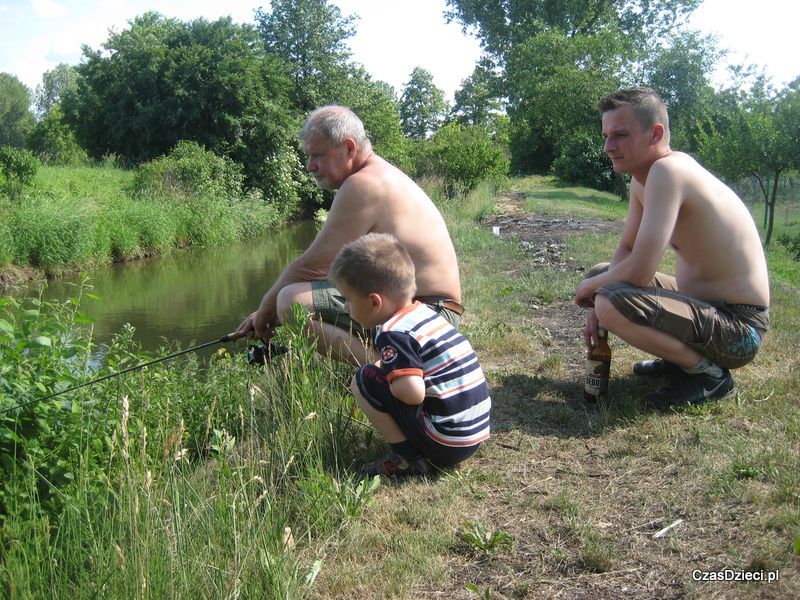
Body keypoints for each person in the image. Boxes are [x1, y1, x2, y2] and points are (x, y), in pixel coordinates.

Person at [575, 87, 770, 408]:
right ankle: (682, 360)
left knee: (610, 299)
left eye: (620, 135)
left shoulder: (669, 171)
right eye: (606, 135)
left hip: (740, 328)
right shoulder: (644, 179)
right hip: (705, 308)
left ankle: (710, 377)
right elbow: (627, 247)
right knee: (603, 277)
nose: (608, 146)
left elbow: (639, 272)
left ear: (655, 134)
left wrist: (594, 294)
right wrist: (597, 291)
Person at [235, 105, 463, 366]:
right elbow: (333, 271)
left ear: (349, 148)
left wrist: (267, 307)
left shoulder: (364, 185)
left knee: (290, 300)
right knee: (292, 299)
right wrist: (268, 311)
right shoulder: (379, 176)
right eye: (309, 156)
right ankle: (392, 369)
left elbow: (313, 268)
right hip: (429, 311)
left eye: (318, 155)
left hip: (428, 315)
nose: (310, 166)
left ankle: (387, 375)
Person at [328, 232, 491, 477]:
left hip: (447, 443)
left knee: (363, 379)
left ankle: (406, 459)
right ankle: (418, 449)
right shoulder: (424, 314)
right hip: (471, 436)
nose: (346, 308)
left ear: (374, 302)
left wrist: (388, 379)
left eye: (348, 300)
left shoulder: (393, 333)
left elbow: (413, 394)